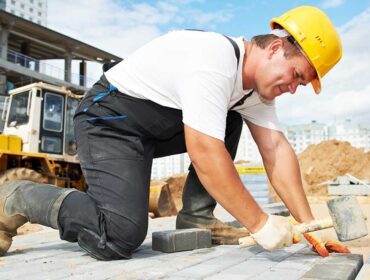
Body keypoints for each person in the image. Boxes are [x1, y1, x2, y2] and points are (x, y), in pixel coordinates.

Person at [0, 6, 345, 260]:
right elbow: (205, 152)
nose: (294, 88)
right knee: (118, 236)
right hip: (107, 120)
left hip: (151, 129)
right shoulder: (214, 59)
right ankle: (15, 197)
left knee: (230, 117)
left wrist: (310, 226)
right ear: (274, 49)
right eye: (298, 76)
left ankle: (197, 218)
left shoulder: (254, 93)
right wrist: (260, 223)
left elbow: (276, 151)